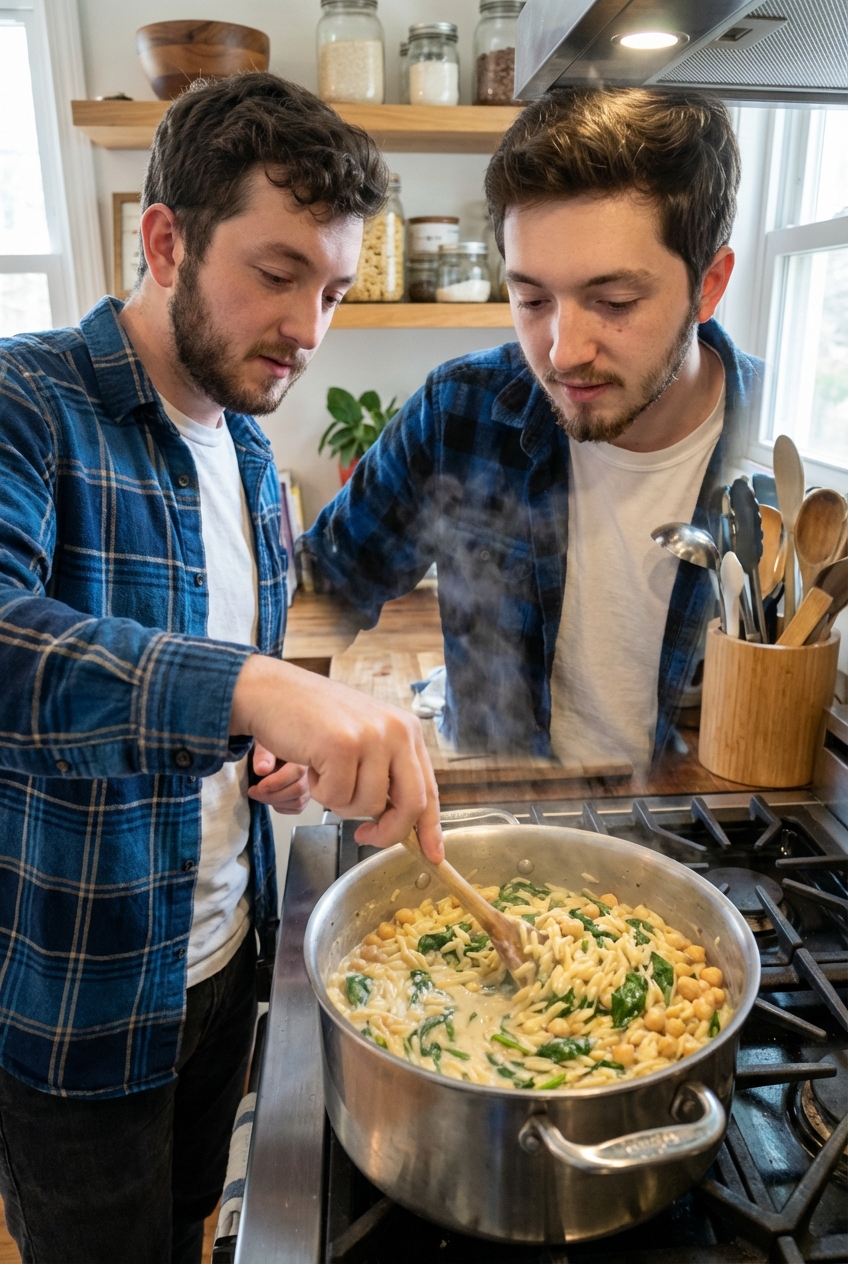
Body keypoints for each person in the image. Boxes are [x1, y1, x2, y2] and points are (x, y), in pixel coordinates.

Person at [0, 73, 441, 1264]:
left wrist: (269, 751)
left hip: (227, 958)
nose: (309, 327)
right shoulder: (26, 401)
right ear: (164, 240)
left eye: (335, 290)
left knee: (197, 1226)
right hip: (79, 997)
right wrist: (255, 690)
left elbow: (223, 702)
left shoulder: (250, 455)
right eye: (277, 270)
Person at [302, 87, 762, 777]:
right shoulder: (462, 409)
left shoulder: (776, 460)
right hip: (495, 837)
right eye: (532, 299)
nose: (563, 350)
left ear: (709, 285)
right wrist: (292, 712)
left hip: (686, 852)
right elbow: (322, 588)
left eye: (613, 302)